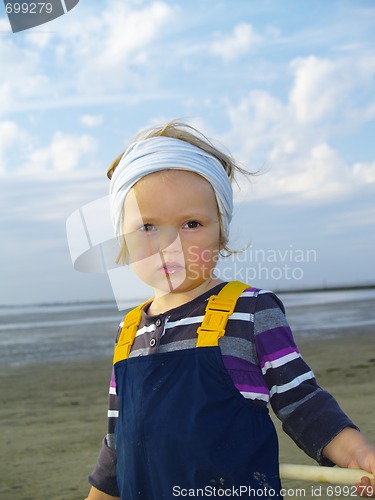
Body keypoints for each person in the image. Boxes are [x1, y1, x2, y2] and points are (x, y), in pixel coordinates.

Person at [85, 121, 375, 499]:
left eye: (191, 224)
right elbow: (117, 440)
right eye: (148, 227)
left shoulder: (249, 311)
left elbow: (302, 401)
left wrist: (357, 454)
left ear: (221, 232)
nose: (169, 244)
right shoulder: (129, 330)